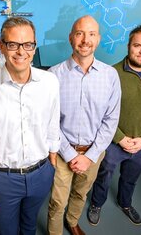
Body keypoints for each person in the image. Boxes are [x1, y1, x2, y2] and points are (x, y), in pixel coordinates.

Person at [0, 16, 60, 235]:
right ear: (2, 46)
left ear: (34, 47)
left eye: (28, 45)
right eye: (13, 44)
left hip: (41, 173)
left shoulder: (50, 82)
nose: (21, 52)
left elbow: (53, 125)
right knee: (6, 230)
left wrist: (51, 164)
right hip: (4, 179)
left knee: (29, 225)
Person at [87, 24, 141, 226]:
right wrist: (120, 138)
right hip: (113, 141)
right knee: (104, 175)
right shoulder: (110, 73)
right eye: (137, 45)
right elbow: (101, 113)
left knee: (131, 177)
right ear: (129, 46)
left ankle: (125, 203)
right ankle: (97, 203)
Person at [47, 15, 121, 235]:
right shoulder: (53, 75)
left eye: (91, 34)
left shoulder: (110, 76)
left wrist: (89, 156)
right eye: (79, 33)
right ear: (71, 38)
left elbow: (111, 120)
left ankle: (72, 221)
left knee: (80, 194)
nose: (85, 39)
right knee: (57, 201)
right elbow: (50, 121)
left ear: (98, 39)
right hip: (62, 152)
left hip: (93, 152)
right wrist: (70, 155)